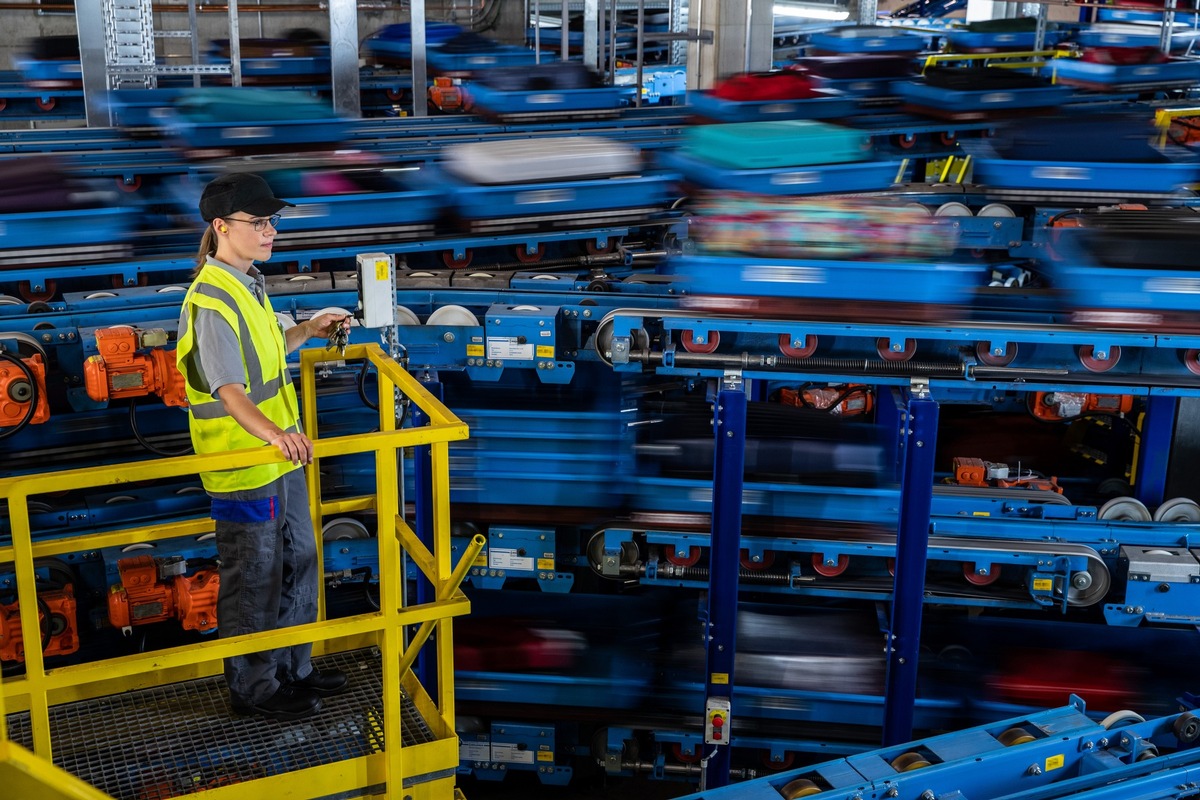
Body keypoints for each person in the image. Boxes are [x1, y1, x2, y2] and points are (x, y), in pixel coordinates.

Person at [176, 172, 350, 721]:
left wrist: (311, 329)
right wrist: (275, 434)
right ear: (221, 227)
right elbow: (229, 391)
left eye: (273, 221)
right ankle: (254, 690)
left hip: (280, 459)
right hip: (245, 466)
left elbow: (270, 352)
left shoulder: (249, 282)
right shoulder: (210, 301)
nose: (271, 231)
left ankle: (294, 671)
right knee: (255, 578)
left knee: (301, 559)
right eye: (259, 222)